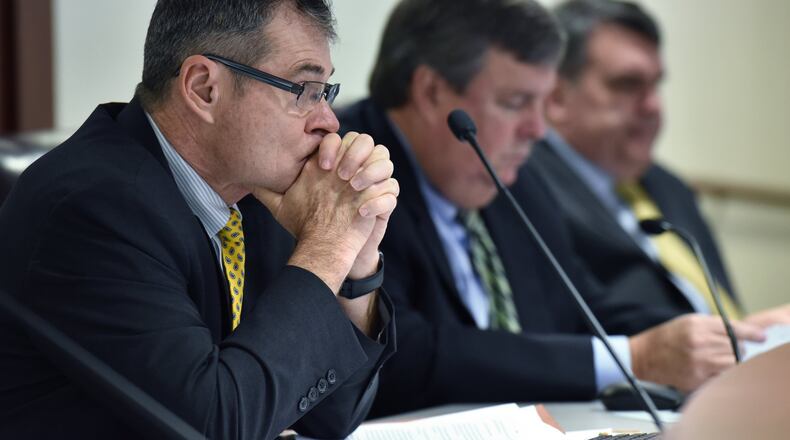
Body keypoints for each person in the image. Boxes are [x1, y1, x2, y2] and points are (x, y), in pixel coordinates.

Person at [336, 0, 766, 417]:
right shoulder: (350, 172)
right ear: (431, 91)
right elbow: (407, 353)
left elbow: (584, 309)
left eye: (540, 103)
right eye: (515, 102)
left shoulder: (511, 176)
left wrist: (733, 339)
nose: (537, 129)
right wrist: (634, 359)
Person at [0, 1, 398, 438]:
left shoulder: (251, 194)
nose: (329, 121)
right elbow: (213, 425)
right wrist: (327, 244)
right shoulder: (93, 208)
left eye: (326, 92)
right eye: (304, 89)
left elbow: (329, 415)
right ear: (204, 88)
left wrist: (356, 260)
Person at [527, 0, 790, 340]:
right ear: (556, 97)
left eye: (656, 84)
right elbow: (578, 329)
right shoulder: (524, 183)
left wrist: (758, 336)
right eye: (627, 84)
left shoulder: (670, 187)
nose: (653, 106)